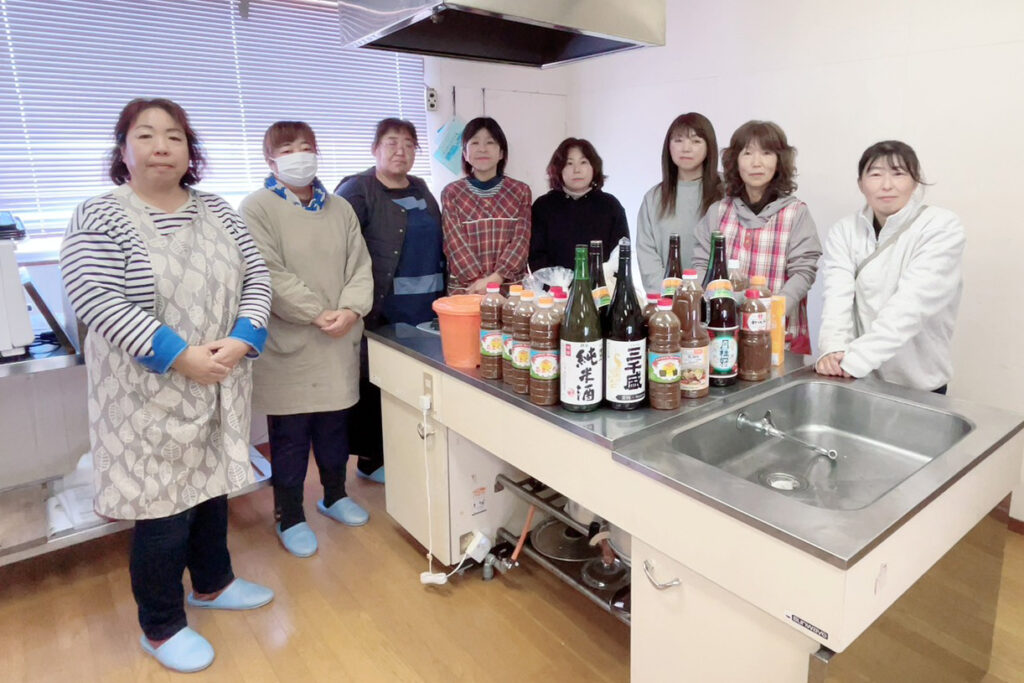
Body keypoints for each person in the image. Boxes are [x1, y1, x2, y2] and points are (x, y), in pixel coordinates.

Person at [60, 98, 274, 673]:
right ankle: (160, 626)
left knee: (210, 491)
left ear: (189, 150)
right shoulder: (99, 216)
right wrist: (180, 356)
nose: (161, 147)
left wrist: (244, 336)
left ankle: (213, 582)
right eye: (146, 135)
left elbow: (256, 275)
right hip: (144, 395)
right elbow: (97, 299)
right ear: (123, 149)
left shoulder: (219, 210)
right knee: (162, 511)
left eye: (174, 136)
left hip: (219, 379)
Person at [241, 121, 374, 558]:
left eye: (306, 147)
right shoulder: (256, 208)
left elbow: (360, 266)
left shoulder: (340, 208)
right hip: (290, 343)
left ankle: (334, 495)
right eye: (288, 149)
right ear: (270, 160)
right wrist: (316, 313)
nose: (299, 155)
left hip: (337, 339)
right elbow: (267, 272)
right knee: (291, 437)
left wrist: (350, 309)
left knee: (335, 428)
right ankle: (290, 515)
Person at [335, 118, 444, 484]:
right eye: (392, 143)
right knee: (376, 382)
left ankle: (405, 452)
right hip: (381, 308)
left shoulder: (421, 187)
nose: (401, 151)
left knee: (413, 383)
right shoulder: (357, 189)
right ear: (375, 149)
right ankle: (370, 460)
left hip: (426, 306)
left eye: (409, 144)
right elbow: (340, 247)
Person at [815, 141, 965, 393]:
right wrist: (832, 349)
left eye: (898, 173)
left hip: (919, 381)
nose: (886, 185)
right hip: (858, 379)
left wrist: (855, 361)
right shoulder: (845, 230)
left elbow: (911, 307)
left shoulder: (941, 226)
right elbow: (836, 297)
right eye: (875, 174)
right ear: (861, 184)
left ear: (915, 182)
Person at [692, 120, 821, 353]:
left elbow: (803, 272)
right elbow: (702, 265)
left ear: (779, 160)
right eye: (747, 153)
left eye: (766, 153)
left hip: (779, 335)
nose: (756, 162)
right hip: (723, 334)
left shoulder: (796, 213)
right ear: (735, 161)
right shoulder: (718, 212)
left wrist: (771, 311)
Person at [441, 117, 532, 293]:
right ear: (465, 154)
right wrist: (478, 283)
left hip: (509, 288)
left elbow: (521, 241)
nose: (482, 149)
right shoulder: (452, 193)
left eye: (490, 142)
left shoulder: (520, 191)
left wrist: (495, 279)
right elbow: (454, 243)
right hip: (467, 289)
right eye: (475, 143)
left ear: (501, 153)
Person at [636, 113, 724, 293]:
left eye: (696, 141)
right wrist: (673, 295)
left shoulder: (727, 192)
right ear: (668, 146)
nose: (686, 148)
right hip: (668, 300)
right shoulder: (653, 198)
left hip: (717, 297)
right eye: (678, 140)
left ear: (709, 147)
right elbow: (647, 256)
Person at [528, 137, 628, 271]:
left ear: (594, 167)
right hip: (554, 284)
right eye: (569, 163)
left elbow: (620, 255)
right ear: (558, 169)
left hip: (601, 284)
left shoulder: (610, 206)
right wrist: (556, 281)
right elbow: (536, 256)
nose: (577, 170)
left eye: (583, 162)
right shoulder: (543, 206)